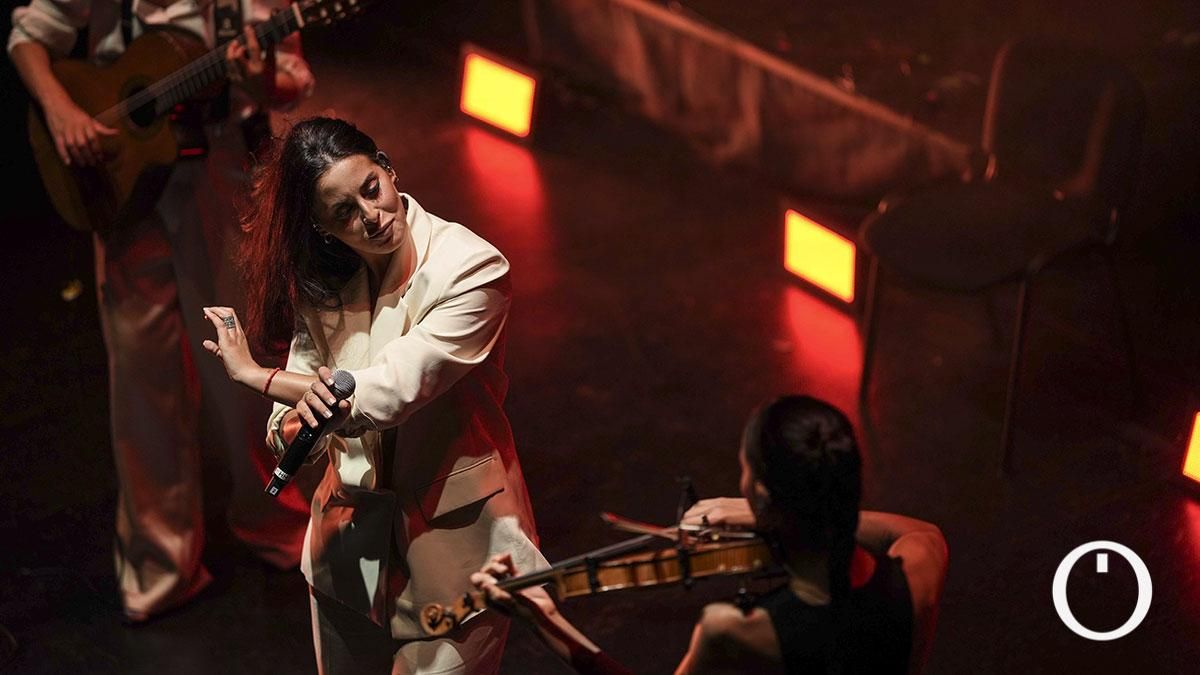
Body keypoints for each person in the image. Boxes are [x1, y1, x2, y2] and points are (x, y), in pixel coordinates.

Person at [200, 116, 548, 675]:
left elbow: (384, 395)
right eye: (345, 213)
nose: (372, 217)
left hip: (459, 543)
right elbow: (287, 427)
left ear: (388, 169)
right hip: (347, 541)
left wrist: (255, 375)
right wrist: (295, 425)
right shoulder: (327, 286)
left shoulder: (472, 270)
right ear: (322, 228)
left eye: (372, 189)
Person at [8, 0, 318, 622]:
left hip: (225, 176)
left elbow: (288, 80)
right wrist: (61, 108)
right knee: (142, 376)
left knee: (250, 364)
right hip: (122, 182)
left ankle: (277, 523)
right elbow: (27, 35)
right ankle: (160, 564)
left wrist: (257, 79)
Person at [472, 396, 948, 674]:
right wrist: (774, 513)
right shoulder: (920, 568)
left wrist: (545, 616)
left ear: (760, 492)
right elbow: (918, 529)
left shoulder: (736, 632)